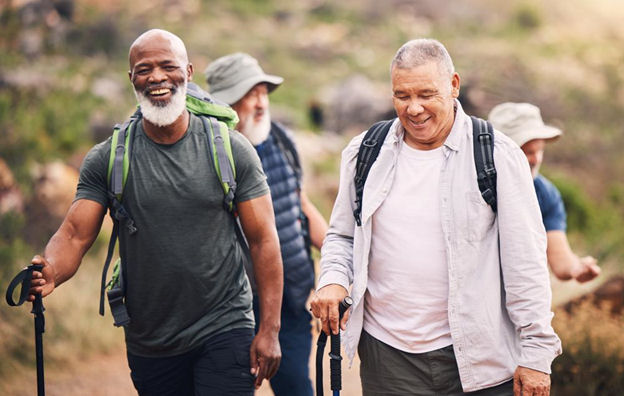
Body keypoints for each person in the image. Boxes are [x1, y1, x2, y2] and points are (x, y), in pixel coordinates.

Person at [27, 29, 283, 395]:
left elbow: (263, 239)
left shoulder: (230, 149)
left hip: (225, 325)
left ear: (189, 72)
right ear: (131, 78)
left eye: (168, 66)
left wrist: (269, 329)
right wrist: (50, 271)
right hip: (151, 340)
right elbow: (74, 234)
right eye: (144, 69)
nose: (157, 77)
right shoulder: (109, 158)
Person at [310, 39, 562, 395]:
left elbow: (527, 263)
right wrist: (333, 278)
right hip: (388, 358)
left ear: (454, 86)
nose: (414, 109)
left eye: (427, 94)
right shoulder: (364, 152)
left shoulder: (497, 155)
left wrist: (536, 354)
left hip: (480, 357)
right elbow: (343, 235)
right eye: (402, 95)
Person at [205, 52, 329, 396]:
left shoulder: (282, 141)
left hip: (291, 301)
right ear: (226, 101)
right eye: (251, 94)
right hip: (234, 308)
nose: (261, 103)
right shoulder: (209, 154)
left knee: (296, 387)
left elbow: (300, 205)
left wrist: (338, 256)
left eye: (263, 92)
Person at [488, 102, 600, 283]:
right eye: (526, 151)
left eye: (540, 150)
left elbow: (560, 260)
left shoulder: (546, 195)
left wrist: (576, 268)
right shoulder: (468, 185)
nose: (536, 159)